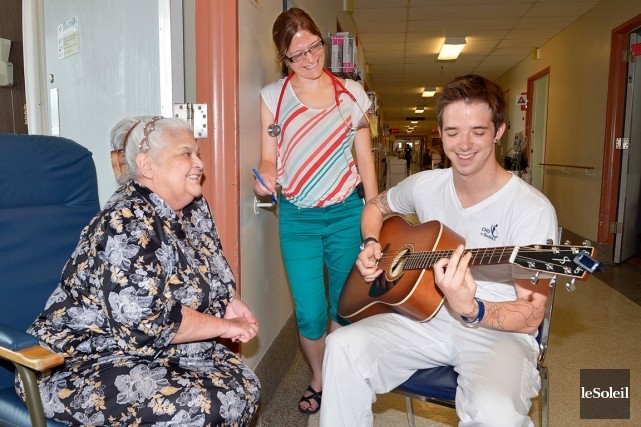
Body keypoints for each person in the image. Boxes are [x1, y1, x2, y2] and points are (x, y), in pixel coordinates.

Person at [320, 74, 558, 426]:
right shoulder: (425, 185)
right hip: (424, 317)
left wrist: (472, 308)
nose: (463, 144)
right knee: (341, 347)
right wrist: (372, 243)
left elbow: (532, 315)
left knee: (497, 413)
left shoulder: (531, 210)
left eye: (477, 131)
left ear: (498, 131)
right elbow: (375, 206)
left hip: (497, 329)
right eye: (452, 132)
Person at [17, 116, 261, 426]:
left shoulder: (193, 209)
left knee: (244, 387)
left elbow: (214, 267)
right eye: (186, 153)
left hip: (150, 352)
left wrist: (231, 300)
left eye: (197, 153)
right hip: (79, 360)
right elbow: (144, 323)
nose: (199, 162)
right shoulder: (123, 223)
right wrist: (225, 327)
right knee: (202, 407)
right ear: (147, 166)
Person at [253, 7, 377, 415]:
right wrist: (265, 177)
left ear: (322, 41)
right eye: (297, 54)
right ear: (283, 59)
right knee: (310, 309)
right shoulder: (274, 97)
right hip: (298, 219)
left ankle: (340, 376)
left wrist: (375, 211)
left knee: (346, 302)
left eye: (314, 47)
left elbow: (365, 161)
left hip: (346, 213)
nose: (309, 59)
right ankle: (321, 376)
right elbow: (270, 157)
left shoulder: (351, 95)